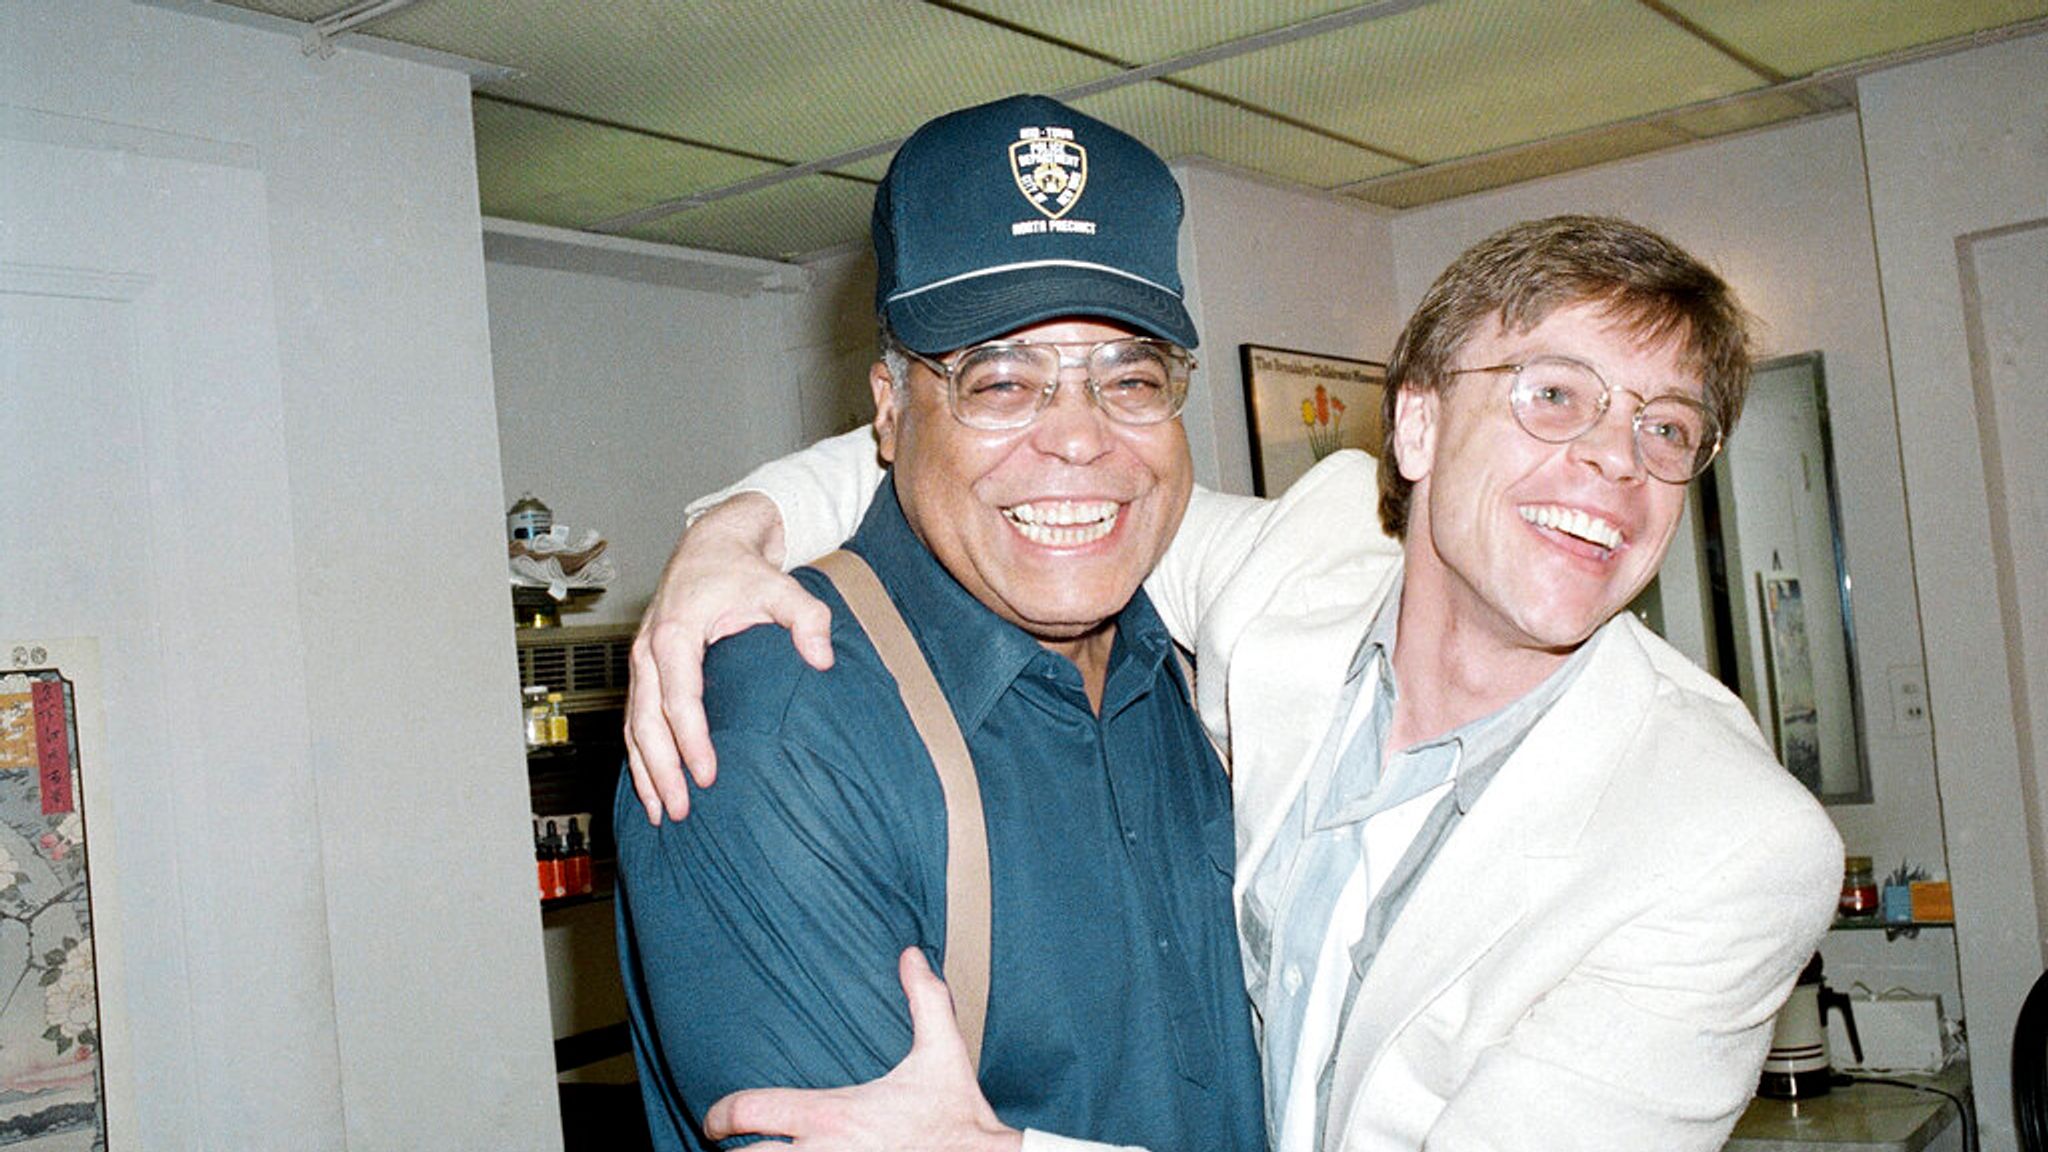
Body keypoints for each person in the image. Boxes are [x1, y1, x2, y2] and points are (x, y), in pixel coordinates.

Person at [627, 214, 1846, 1151]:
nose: (1607, 464)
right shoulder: (1295, 574)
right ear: (1412, 429)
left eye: (1665, 429)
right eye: (1552, 395)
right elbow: (1036, 468)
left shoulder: (1726, 842)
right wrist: (731, 537)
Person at [612, 93, 1265, 1152]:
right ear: (884, 407)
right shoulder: (772, 737)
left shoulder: (1209, 661)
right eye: (999, 381)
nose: (1076, 438)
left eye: (1129, 378)